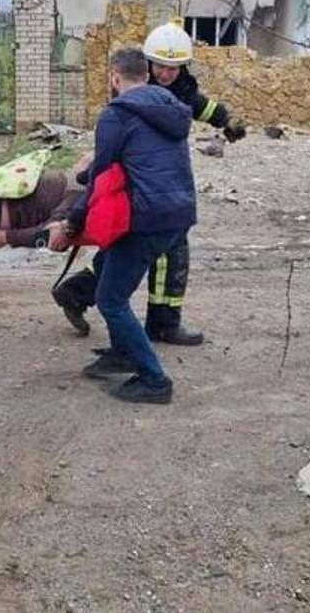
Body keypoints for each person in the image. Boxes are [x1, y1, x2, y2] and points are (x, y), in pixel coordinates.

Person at [52, 21, 243, 345]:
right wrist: (96, 172)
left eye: (174, 67)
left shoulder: (181, 87)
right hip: (139, 182)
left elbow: (200, 105)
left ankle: (82, 294)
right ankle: (157, 322)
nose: (167, 74)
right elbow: (115, 133)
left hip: (162, 180)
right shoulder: (134, 87)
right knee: (149, 247)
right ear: (148, 65)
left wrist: (227, 120)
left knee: (152, 250)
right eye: (161, 66)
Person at [50, 47, 195, 404]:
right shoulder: (168, 106)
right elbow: (139, 159)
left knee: (110, 299)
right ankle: (122, 352)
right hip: (178, 214)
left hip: (146, 217)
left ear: (115, 77)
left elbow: (102, 177)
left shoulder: (116, 114)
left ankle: (154, 380)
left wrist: (71, 223)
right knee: (114, 271)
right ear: (146, 75)